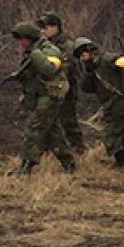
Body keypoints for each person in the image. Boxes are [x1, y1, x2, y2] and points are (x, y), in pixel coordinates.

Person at [9, 20, 75, 174]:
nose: (19, 43)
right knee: (53, 132)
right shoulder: (34, 50)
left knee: (34, 129)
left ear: (30, 37)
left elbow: (49, 69)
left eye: (21, 39)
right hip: (41, 94)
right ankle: (68, 164)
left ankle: (26, 165)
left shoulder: (49, 50)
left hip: (50, 95)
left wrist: (35, 54)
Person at [75, 38, 124, 168]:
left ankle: (123, 162)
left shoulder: (108, 59)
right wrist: (89, 71)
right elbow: (86, 88)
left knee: (111, 134)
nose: (82, 59)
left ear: (89, 50)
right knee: (116, 133)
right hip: (112, 104)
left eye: (83, 54)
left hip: (121, 101)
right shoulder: (93, 67)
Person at [36, 12, 83, 154]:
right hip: (53, 88)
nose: (42, 31)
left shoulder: (67, 45)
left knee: (68, 121)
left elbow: (68, 67)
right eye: (41, 28)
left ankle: (78, 150)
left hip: (66, 88)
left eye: (46, 27)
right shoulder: (47, 45)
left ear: (55, 27)